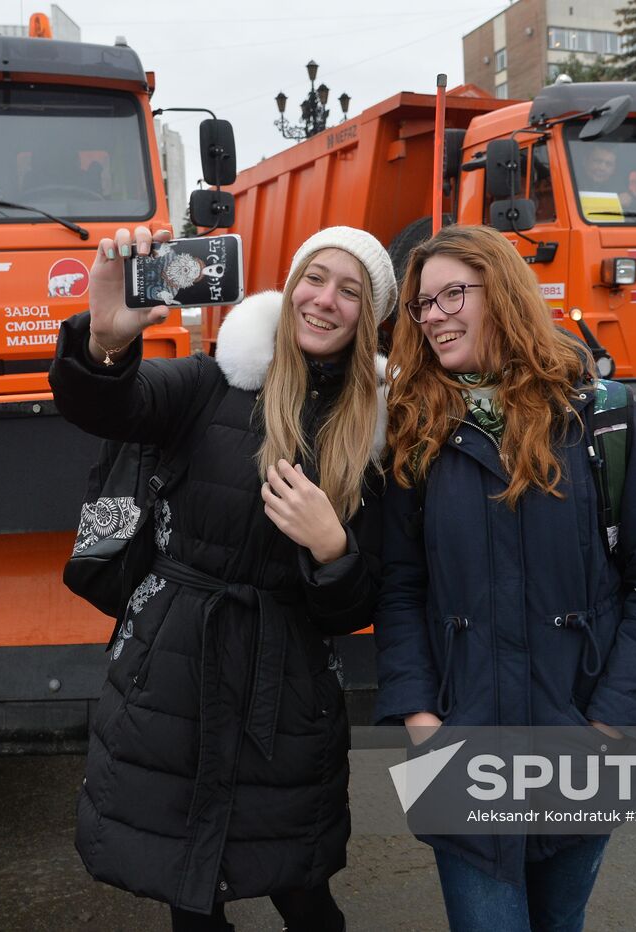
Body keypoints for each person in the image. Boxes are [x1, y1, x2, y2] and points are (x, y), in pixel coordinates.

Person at [50, 224, 397, 931]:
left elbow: (359, 605)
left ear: (371, 318)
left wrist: (334, 550)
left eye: (350, 290)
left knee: (303, 890)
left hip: (287, 690)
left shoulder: (375, 432)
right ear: (291, 283)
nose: (325, 299)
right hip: (176, 673)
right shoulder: (213, 382)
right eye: (314, 277)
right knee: (191, 894)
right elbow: (105, 405)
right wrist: (106, 343)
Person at [374, 225, 636, 932]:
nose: (431, 317)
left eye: (451, 294)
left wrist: (614, 722)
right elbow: (401, 589)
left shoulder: (604, 419)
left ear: (506, 294)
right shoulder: (417, 428)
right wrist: (422, 721)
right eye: (421, 304)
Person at [576, 143, 636, 209]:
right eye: (597, 161)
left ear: (613, 169)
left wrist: (630, 201)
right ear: (585, 162)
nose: (602, 168)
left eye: (608, 164)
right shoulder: (572, 182)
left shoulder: (617, 185)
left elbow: (635, 205)